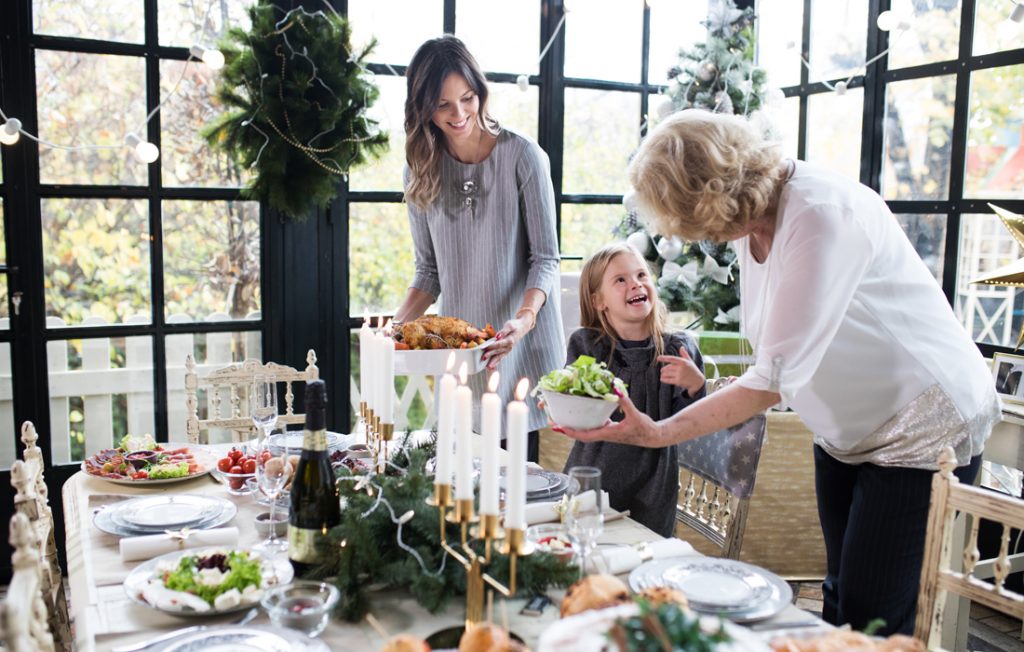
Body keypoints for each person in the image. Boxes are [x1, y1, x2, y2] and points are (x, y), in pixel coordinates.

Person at [557, 110, 999, 635]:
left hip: (924, 425)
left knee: (871, 615)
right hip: (845, 433)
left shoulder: (820, 214)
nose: (700, 237)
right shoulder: (751, 221)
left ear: (712, 194)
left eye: (692, 220)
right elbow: (779, 350)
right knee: (841, 597)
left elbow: (769, 379)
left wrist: (655, 434)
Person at [394, 35, 564, 460]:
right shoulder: (420, 170)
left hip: (521, 345)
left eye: (467, 98)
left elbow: (545, 259)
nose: (459, 114)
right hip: (466, 356)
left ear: (480, 92)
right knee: (466, 483)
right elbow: (428, 273)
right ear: (423, 109)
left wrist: (522, 321)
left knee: (514, 489)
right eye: (443, 105)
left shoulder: (524, 156)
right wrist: (391, 330)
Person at [557, 243, 706, 537]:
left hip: (653, 489)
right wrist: (564, 395)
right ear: (599, 300)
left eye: (641, 275)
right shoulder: (587, 346)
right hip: (593, 478)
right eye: (621, 280)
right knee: (583, 552)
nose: (636, 283)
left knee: (643, 557)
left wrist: (695, 386)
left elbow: (688, 428)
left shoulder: (680, 349)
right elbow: (575, 409)